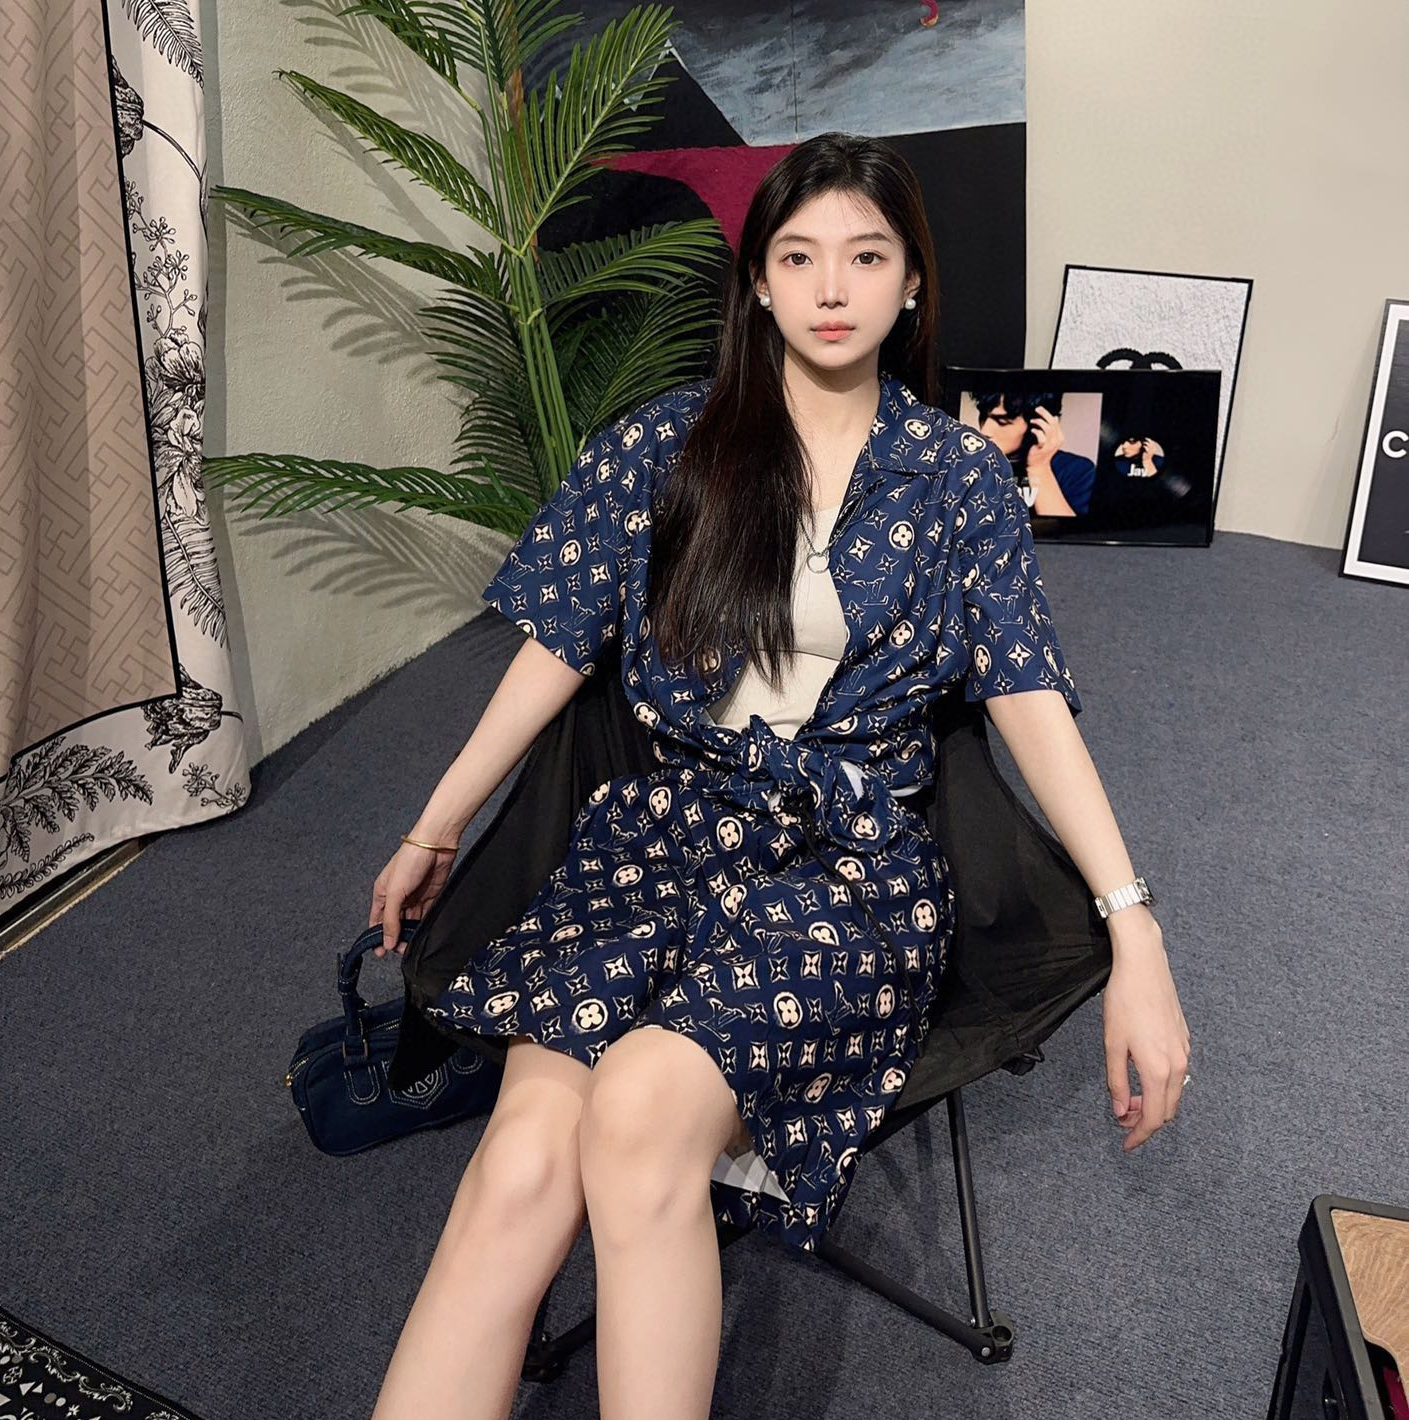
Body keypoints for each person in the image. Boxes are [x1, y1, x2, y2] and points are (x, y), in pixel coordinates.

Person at [366, 132, 1192, 1420]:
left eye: (865, 257)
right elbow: (555, 643)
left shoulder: (959, 477)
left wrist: (1132, 928)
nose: (831, 288)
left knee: (636, 1113)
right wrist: (435, 824)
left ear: (911, 283)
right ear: (755, 281)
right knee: (520, 1164)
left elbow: (1027, 695)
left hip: (846, 872)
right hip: (661, 840)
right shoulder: (666, 444)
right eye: (797, 258)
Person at [974, 389, 1098, 516]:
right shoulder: (973, 465)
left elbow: (1066, 529)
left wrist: (1039, 467)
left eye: (1002, 421)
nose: (984, 431)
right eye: (983, 416)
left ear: (1038, 425)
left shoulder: (1076, 471)